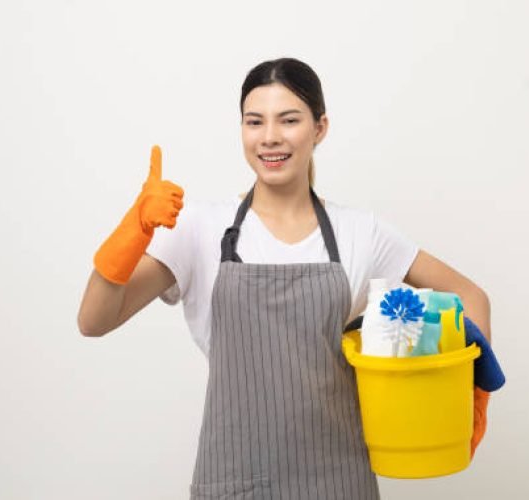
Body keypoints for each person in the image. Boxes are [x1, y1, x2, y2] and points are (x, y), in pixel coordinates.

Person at [77, 57, 492, 499]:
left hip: (339, 479)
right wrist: (131, 235)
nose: (270, 137)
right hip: (235, 481)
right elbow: (94, 320)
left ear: (319, 128)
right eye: (254, 122)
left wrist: (469, 392)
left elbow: (471, 296)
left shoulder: (360, 232)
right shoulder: (199, 226)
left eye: (289, 120)